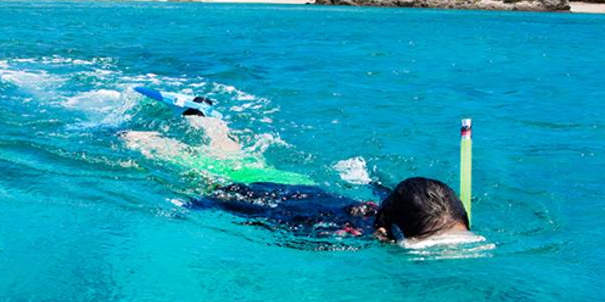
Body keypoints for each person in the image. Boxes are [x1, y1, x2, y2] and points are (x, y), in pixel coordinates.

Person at [122, 104, 481, 247]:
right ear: (386, 234)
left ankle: (208, 123)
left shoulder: (392, 210)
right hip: (258, 188)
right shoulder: (322, 229)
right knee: (178, 157)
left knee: (231, 150)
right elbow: (249, 208)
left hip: (295, 180)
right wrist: (190, 206)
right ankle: (138, 134)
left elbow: (396, 194)